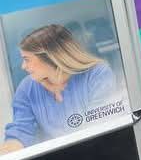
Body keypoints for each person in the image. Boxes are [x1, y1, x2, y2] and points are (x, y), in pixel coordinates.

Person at [1, 24, 118, 153]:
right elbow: (20, 131)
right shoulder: (27, 88)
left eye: (27, 59)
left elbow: (101, 125)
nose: (23, 66)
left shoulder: (98, 74)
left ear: (50, 57)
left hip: (98, 151)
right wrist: (7, 151)